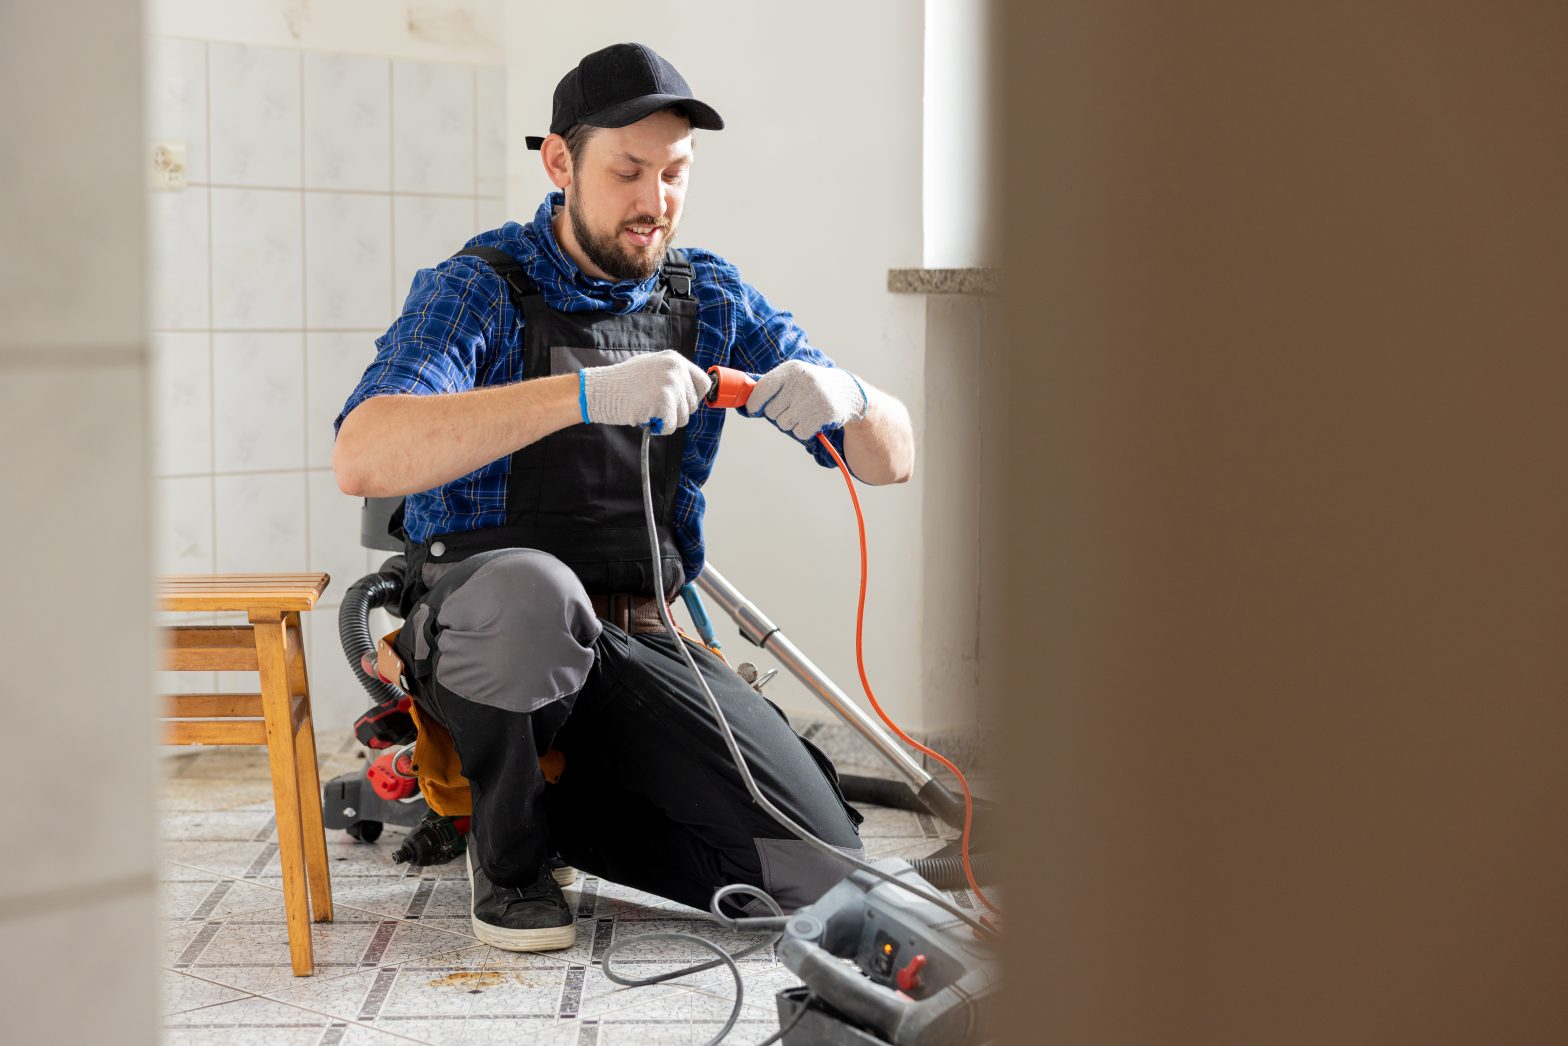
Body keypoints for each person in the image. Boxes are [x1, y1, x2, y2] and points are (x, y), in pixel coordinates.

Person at [333, 42, 914, 952]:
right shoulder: (481, 288)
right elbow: (363, 453)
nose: (655, 202)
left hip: (639, 636)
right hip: (491, 629)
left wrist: (857, 400)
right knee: (532, 595)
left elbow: (890, 461)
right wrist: (586, 394)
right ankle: (511, 862)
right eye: (628, 171)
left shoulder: (710, 295)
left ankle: (554, 814)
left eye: (675, 173)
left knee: (824, 874)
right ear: (560, 162)